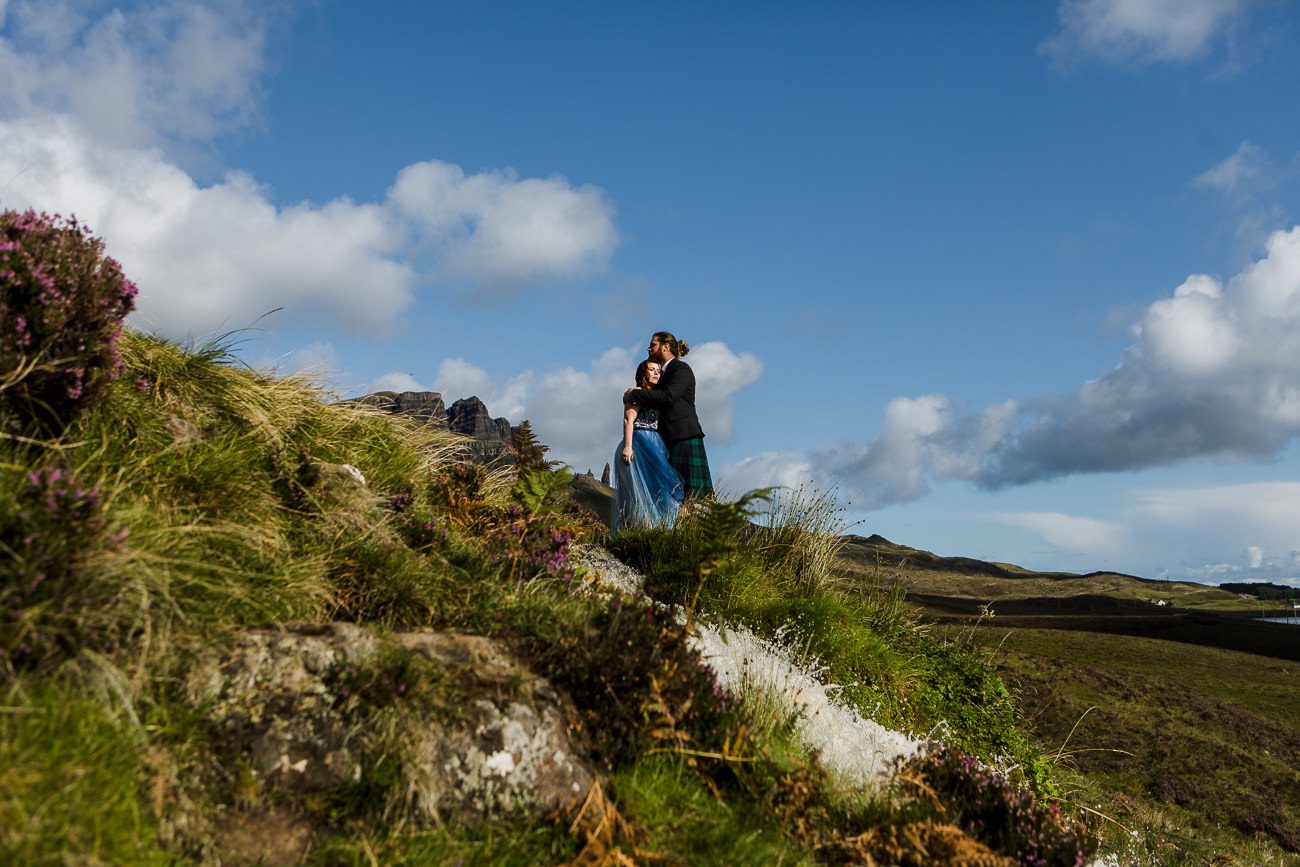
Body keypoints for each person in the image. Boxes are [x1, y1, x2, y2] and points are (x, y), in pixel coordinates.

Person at [623, 331, 713, 497]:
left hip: (684, 435)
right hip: (669, 439)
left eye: (652, 345)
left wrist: (633, 394)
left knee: (692, 494)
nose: (648, 348)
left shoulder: (680, 368)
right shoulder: (663, 374)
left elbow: (668, 397)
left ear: (665, 347)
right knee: (674, 492)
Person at [612, 359, 685, 530]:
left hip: (656, 442)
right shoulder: (637, 392)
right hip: (640, 441)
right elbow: (628, 420)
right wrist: (628, 446)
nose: (656, 373)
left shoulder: (658, 394)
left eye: (658, 370)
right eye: (651, 370)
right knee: (640, 487)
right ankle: (641, 527)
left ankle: (662, 526)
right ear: (643, 373)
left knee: (659, 485)